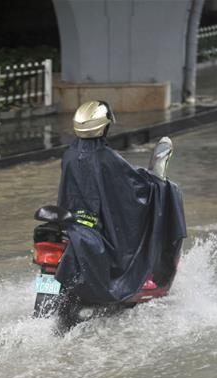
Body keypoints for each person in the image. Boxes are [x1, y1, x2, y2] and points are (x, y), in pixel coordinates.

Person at [55, 100, 186, 308]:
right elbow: (135, 189)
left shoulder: (69, 155)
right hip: (99, 230)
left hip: (74, 224)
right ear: (104, 127)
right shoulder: (107, 157)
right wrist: (158, 184)